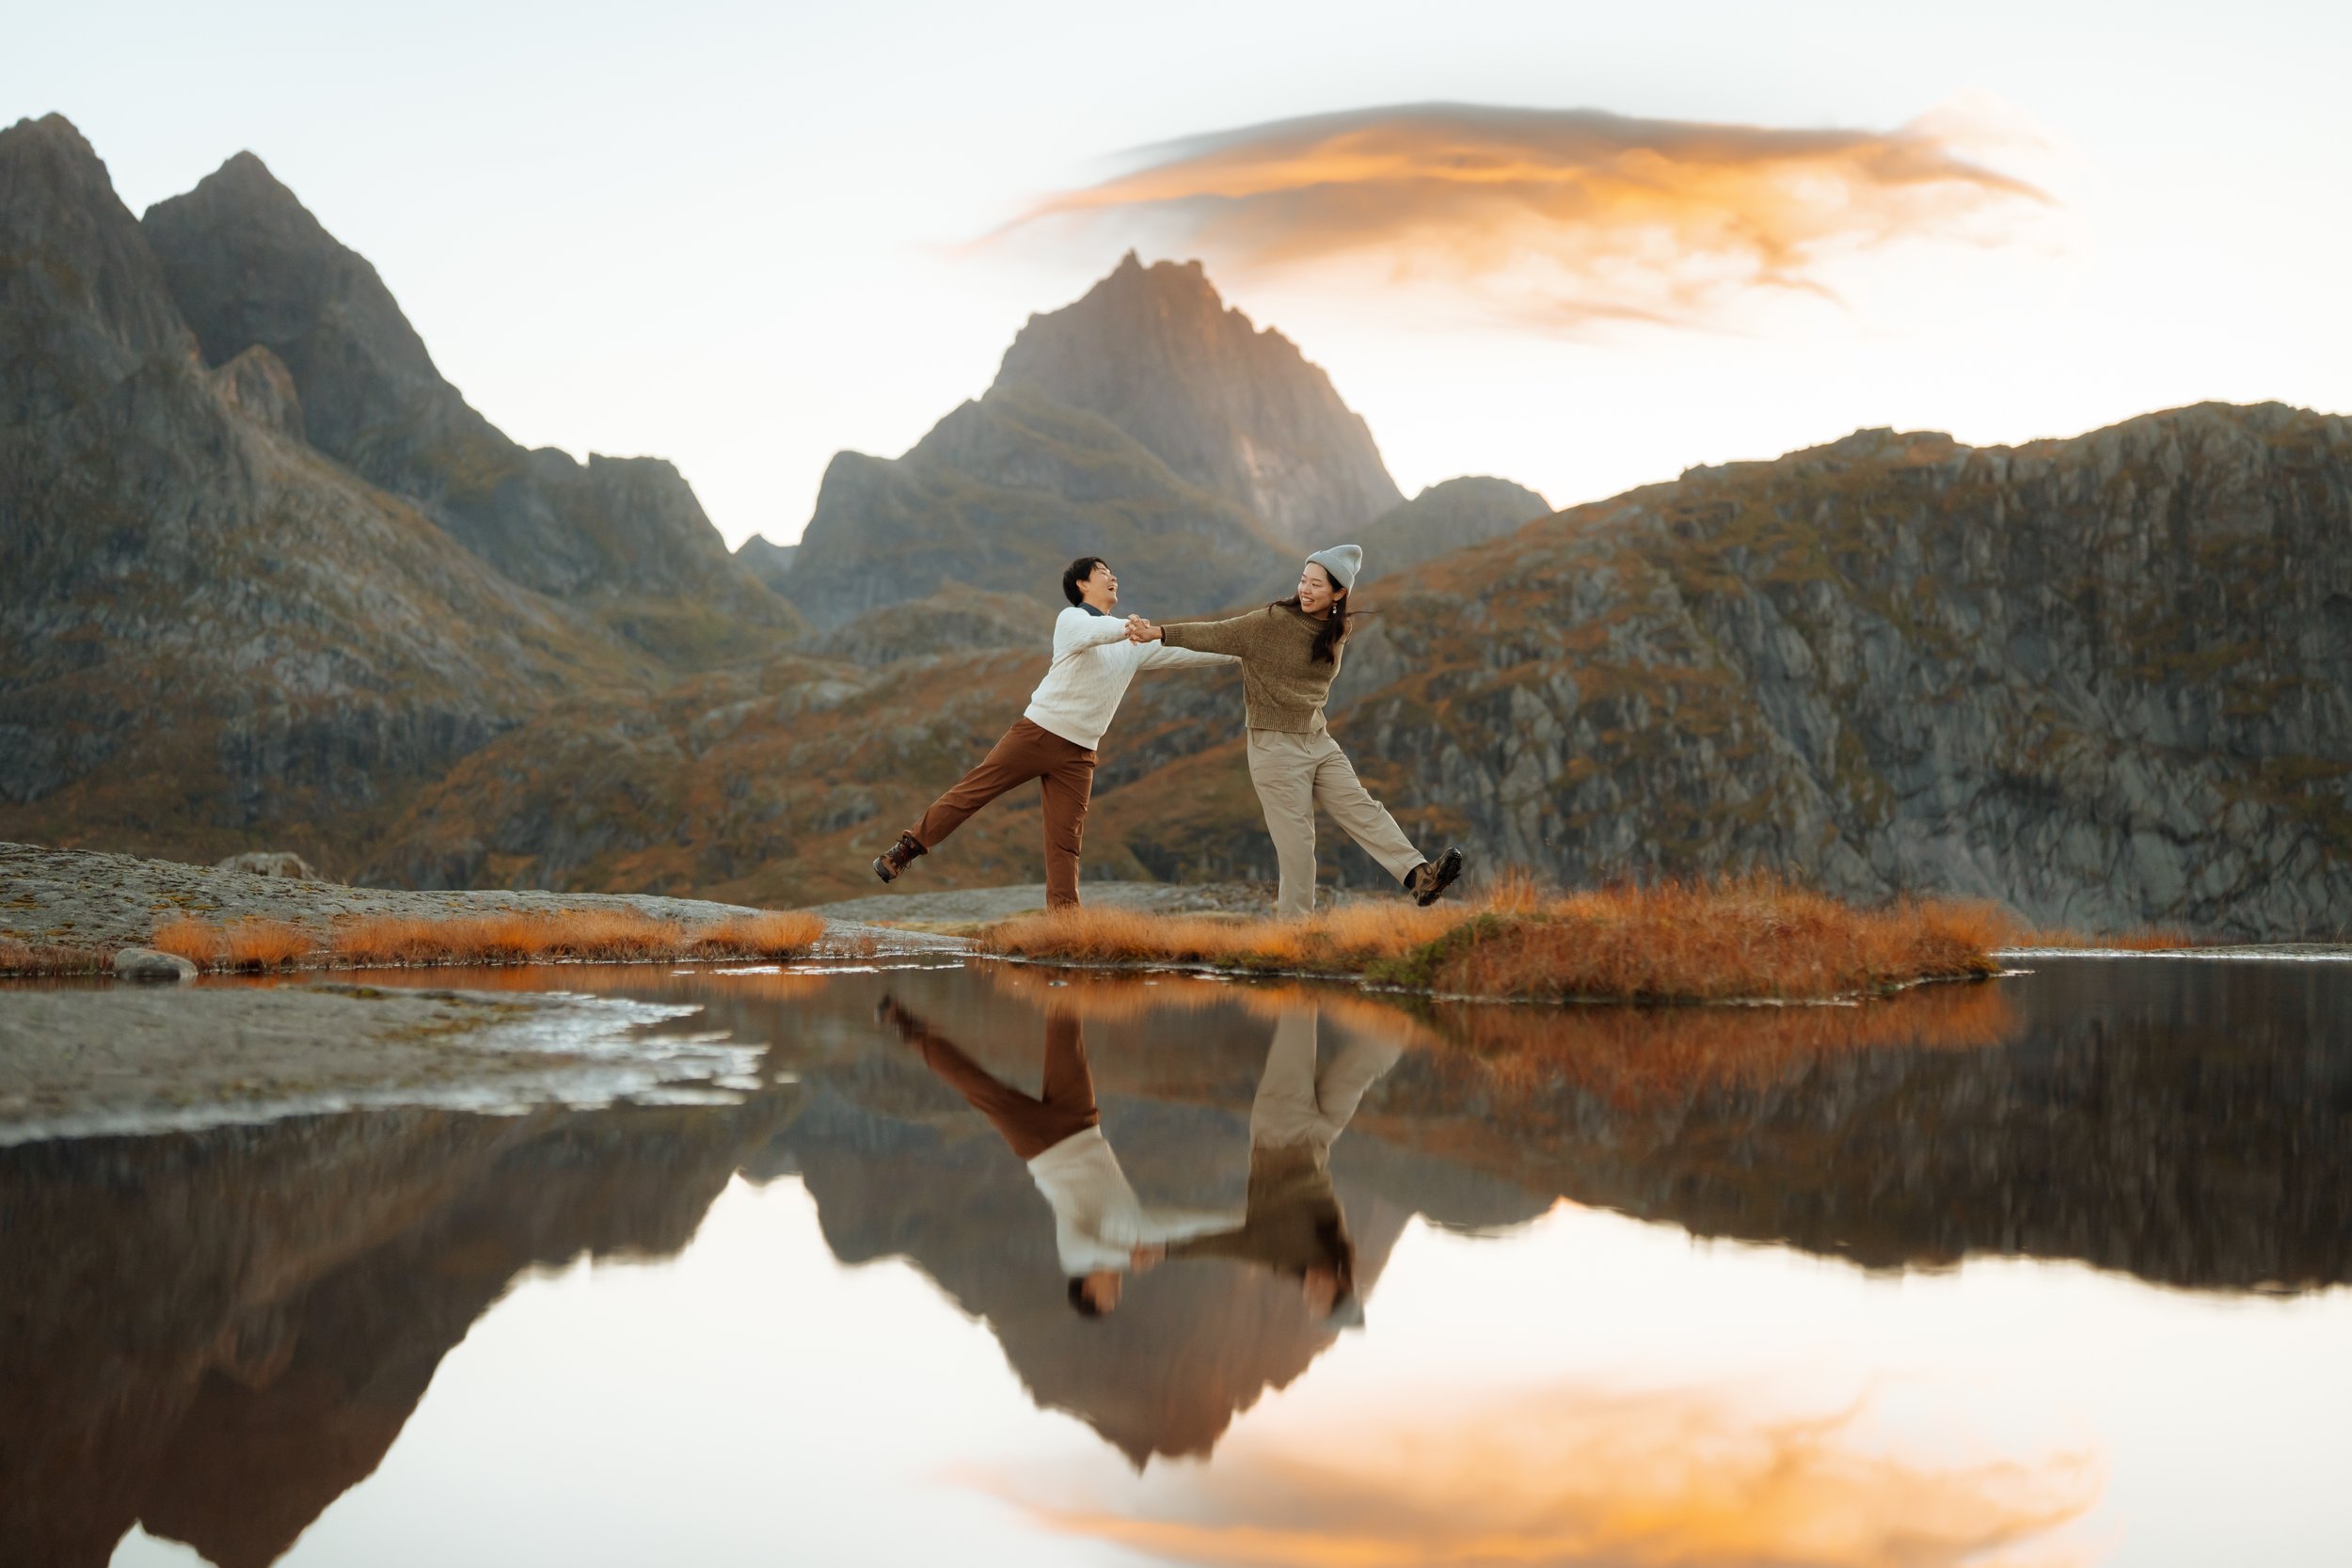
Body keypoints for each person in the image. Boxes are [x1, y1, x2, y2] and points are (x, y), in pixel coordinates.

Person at [870, 556, 1234, 910]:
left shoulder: (1132, 641)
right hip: (1038, 733)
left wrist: (1241, 651)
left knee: (1065, 843)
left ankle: (1064, 926)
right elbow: (1097, 632)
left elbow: (1187, 651)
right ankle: (906, 849)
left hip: (1080, 756)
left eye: (1113, 573)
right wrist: (1129, 627)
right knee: (972, 793)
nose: (1113, 577)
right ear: (1081, 584)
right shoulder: (1072, 619)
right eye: (1102, 572)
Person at [1126, 545, 1464, 919]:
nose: (1305, 589)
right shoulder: (1271, 623)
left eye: (1316, 585)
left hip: (1317, 738)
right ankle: (1295, 937)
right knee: (1298, 848)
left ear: (1338, 594)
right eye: (1303, 580)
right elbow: (1219, 633)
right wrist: (1157, 633)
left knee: (1364, 808)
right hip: (1274, 748)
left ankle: (1420, 877)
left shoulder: (1339, 630)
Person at [875, 993, 1237, 1316]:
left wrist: (1131, 1257)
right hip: (1080, 1122)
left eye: (1110, 1298)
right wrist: (1242, 1223)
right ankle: (1065, 921)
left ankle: (905, 1025)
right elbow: (1187, 1224)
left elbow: (1087, 1246)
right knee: (1067, 1027)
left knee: (977, 1086)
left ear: (1089, 1291)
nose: (1118, 1291)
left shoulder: (1076, 1258)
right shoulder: (1137, 1238)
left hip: (1041, 1144)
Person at [1164, 1006, 1405, 1323]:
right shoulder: (1338, 1249)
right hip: (1319, 1137)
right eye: (1321, 1294)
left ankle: (1305, 957)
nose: (1310, 1290)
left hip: (1280, 1123)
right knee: (1368, 1062)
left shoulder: (1278, 1256)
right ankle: (1413, 1018)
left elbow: (1221, 1245)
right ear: (1343, 1284)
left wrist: (1166, 1250)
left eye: (1309, 1298)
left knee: (1297, 1027)